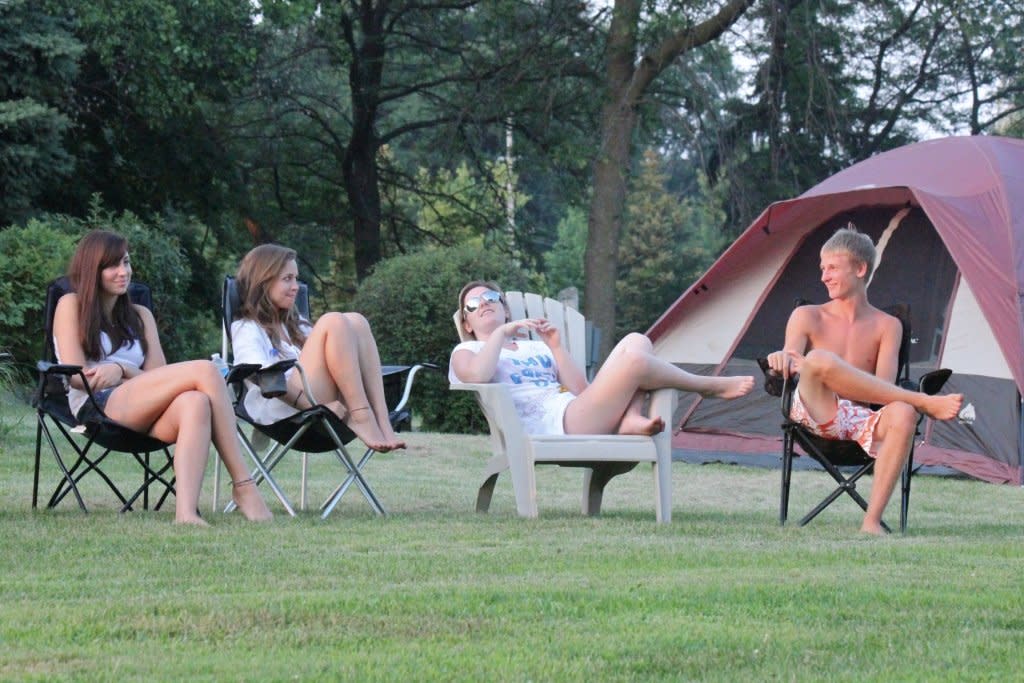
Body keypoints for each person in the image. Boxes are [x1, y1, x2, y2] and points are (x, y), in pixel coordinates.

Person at [53, 230, 272, 526]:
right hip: (96, 406)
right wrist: (121, 376)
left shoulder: (140, 315)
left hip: (142, 405)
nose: (123, 272)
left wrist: (121, 370)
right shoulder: (70, 305)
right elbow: (77, 378)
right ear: (92, 269)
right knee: (206, 371)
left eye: (127, 263)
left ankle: (186, 513)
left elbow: (159, 377)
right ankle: (244, 486)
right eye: (113, 266)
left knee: (195, 401)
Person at [765, 224, 964, 534]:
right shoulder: (807, 315)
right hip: (814, 412)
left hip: (859, 420)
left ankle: (871, 522)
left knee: (903, 411)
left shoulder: (888, 326)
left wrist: (894, 403)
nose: (824, 276)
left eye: (832, 267)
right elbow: (792, 359)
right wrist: (783, 360)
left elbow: (882, 393)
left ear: (860, 268)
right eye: (822, 268)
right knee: (817, 360)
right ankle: (926, 402)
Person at [449, 280, 755, 438]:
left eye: (491, 298)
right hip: (551, 425)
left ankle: (631, 418)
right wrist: (501, 334)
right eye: (474, 304)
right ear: (466, 323)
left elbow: (582, 391)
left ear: (505, 308)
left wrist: (555, 346)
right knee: (635, 362)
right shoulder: (467, 352)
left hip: (573, 410)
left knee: (638, 340)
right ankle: (705, 385)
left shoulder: (536, 348)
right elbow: (476, 375)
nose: (484, 304)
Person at [232, 244, 404, 452]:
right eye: (287, 279)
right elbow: (264, 378)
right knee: (333, 321)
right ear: (262, 281)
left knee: (357, 321)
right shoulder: (247, 328)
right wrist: (314, 407)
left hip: (322, 403)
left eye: (296, 278)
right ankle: (362, 416)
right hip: (287, 412)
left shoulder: (297, 325)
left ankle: (382, 420)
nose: (296, 286)